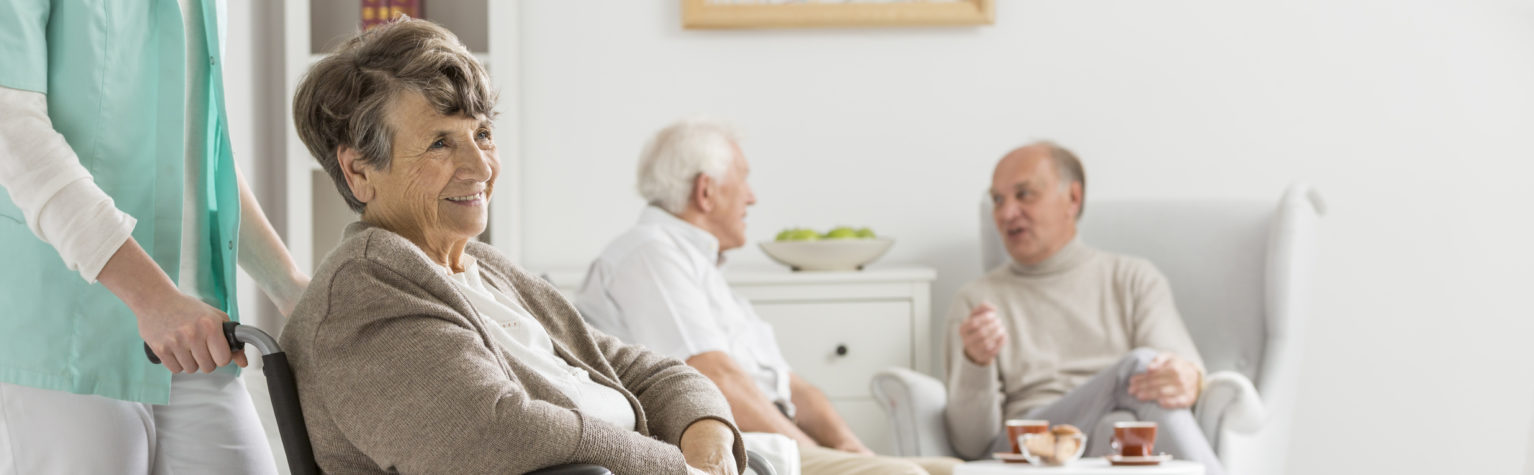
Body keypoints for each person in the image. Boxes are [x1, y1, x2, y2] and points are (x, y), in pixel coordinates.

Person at [280, 20, 745, 474]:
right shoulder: (364, 294)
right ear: (359, 171)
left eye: (482, 134)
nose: (480, 168)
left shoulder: (481, 268)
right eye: (440, 143)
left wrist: (708, 436)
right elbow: (496, 434)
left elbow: (633, 367)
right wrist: (677, 468)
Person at [0, 1, 309, 473]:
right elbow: (14, 132)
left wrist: (290, 289)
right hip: (72, 337)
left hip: (195, 330)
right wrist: (154, 300)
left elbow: (204, 151)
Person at [576, 118, 959, 475]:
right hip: (744, 446)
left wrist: (851, 449)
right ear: (706, 191)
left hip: (778, 436)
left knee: (955, 471)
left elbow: (792, 387)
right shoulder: (649, 254)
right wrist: (813, 452)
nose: (753, 197)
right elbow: (714, 379)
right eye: (744, 180)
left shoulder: (699, 265)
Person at [943, 141, 1226, 474]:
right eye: (998, 200)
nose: (1006, 214)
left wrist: (1188, 377)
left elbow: (1173, 371)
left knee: (1120, 424)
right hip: (1025, 447)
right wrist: (976, 362)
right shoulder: (978, 302)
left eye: (1024, 194)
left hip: (1103, 443)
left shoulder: (1133, 279)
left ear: (1073, 198)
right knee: (1138, 368)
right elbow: (972, 445)